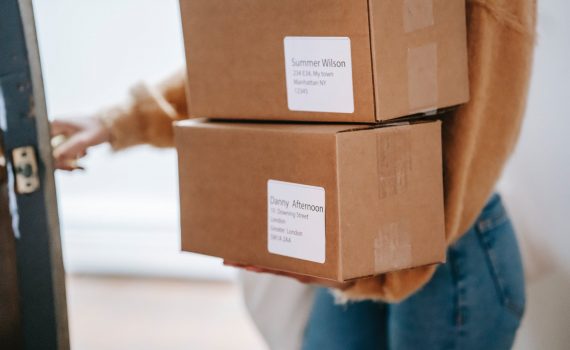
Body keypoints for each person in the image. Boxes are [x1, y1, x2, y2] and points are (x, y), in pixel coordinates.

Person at [52, 0, 537, 348]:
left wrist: (368, 264)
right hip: (364, 245)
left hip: (452, 249)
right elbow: (262, 65)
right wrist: (120, 122)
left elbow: (480, 127)